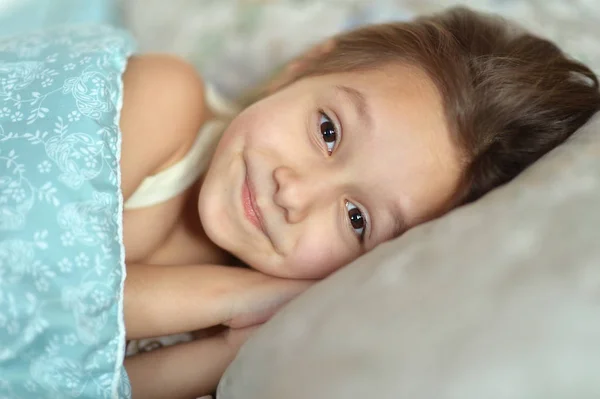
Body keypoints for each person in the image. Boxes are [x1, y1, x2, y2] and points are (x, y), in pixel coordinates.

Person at [119, 6, 600, 398]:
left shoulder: (246, 328)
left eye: (356, 218)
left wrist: (227, 343)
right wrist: (245, 296)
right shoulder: (167, 100)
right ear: (303, 65)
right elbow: (54, 293)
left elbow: (88, 383)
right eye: (327, 131)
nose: (295, 192)